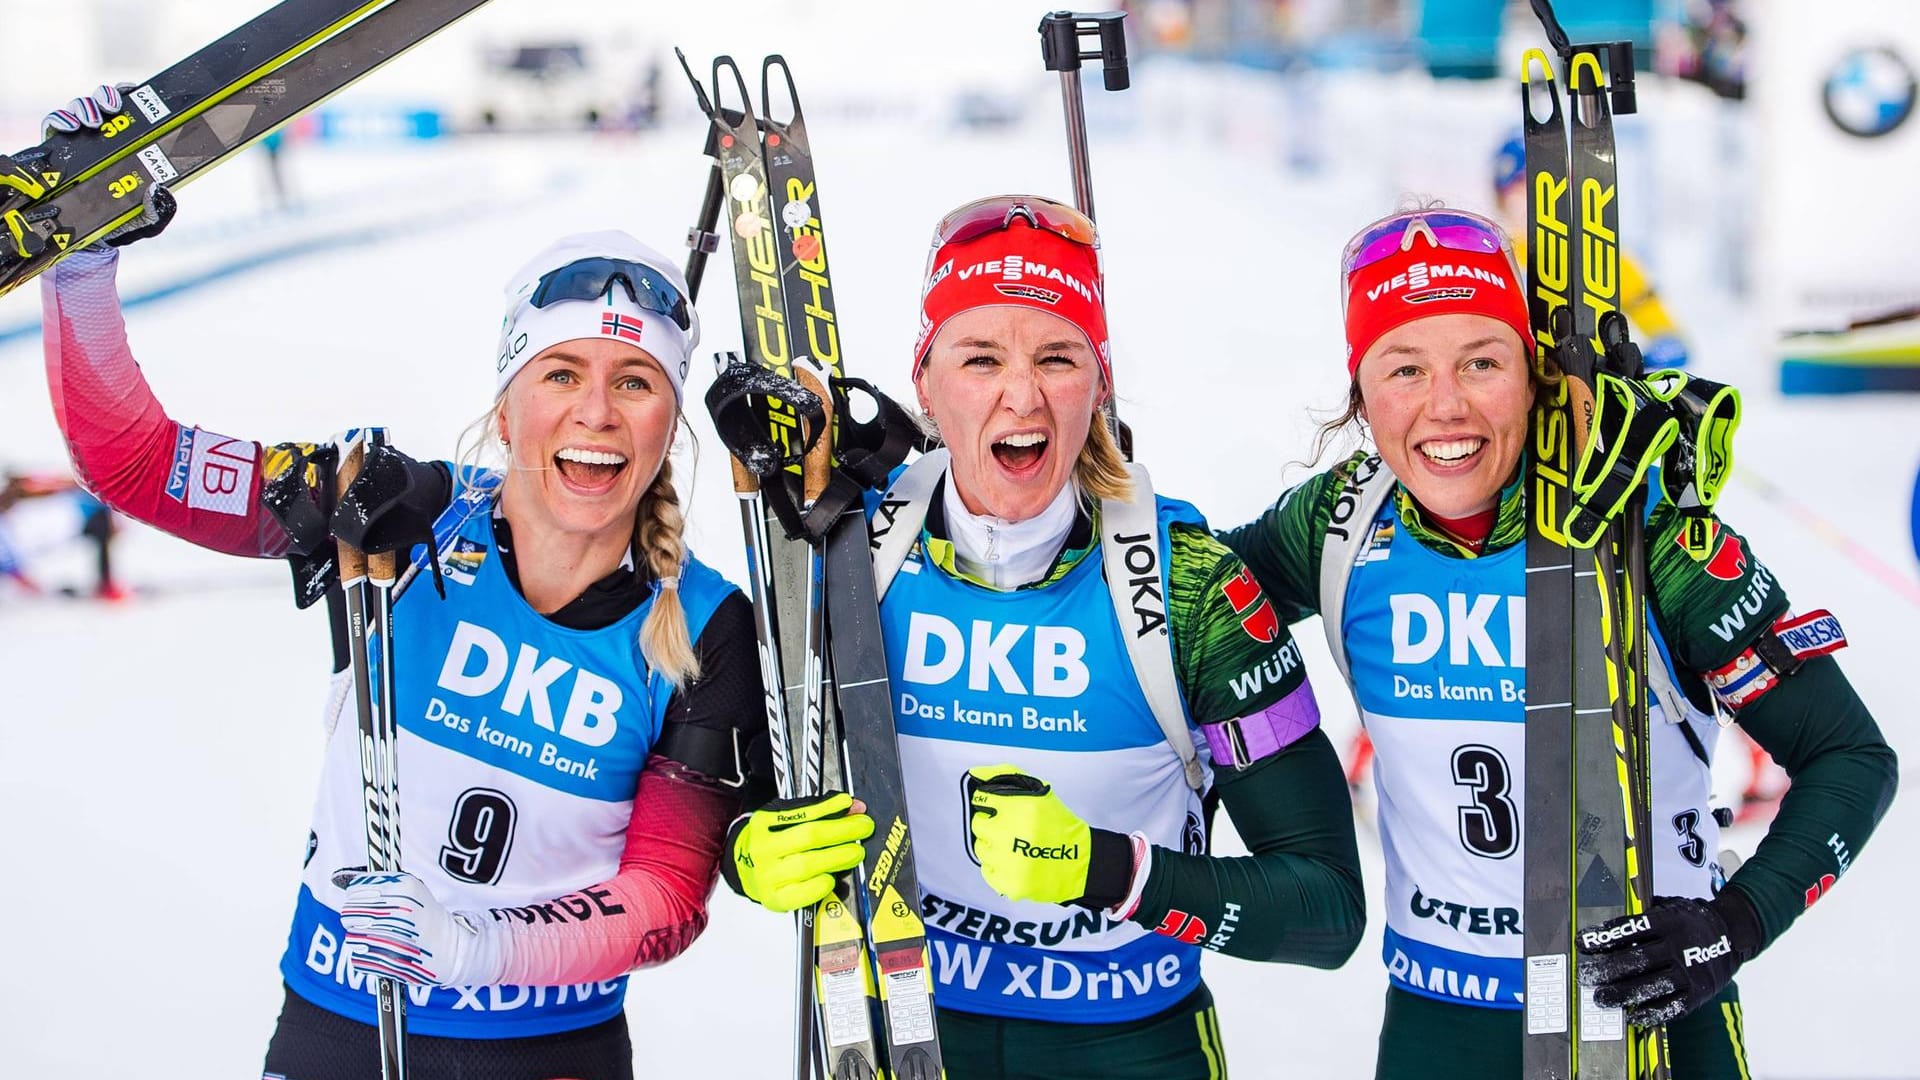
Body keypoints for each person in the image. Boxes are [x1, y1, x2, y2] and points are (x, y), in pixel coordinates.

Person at [42, 80, 766, 1080]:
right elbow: (134, 461)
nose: (597, 412)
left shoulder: (707, 624)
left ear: (666, 423)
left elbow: (667, 896)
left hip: (549, 1049)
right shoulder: (391, 515)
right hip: (342, 1028)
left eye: (634, 383)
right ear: (506, 410)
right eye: (560, 375)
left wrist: (474, 947)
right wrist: (82, 256)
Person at [1218, 205, 1898, 1078]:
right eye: (1404, 368)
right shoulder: (1341, 523)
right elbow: (1172, 613)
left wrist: (1732, 925)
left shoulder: (1641, 531)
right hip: (1441, 1024)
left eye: (1482, 362)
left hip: (1649, 1018)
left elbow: (1852, 756)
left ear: (1533, 375)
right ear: (1361, 391)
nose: (1446, 406)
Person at [721, 195, 1365, 1078]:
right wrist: (748, 849)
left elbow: (1326, 911)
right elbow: (746, 780)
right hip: (902, 1034)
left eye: (1057, 358)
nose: (1020, 396)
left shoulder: (1190, 589)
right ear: (925, 382)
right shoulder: (846, 554)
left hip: (1132, 1046)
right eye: (979, 358)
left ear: (1097, 385)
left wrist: (1112, 873)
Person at [1493, 131, 1691, 370]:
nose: (1533, 199)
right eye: (1519, 186)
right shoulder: (1492, 258)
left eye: (1543, 185)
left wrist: (1641, 357)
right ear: (1502, 197)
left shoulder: (1604, 255)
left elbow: (1669, 336)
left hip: (1595, 389)